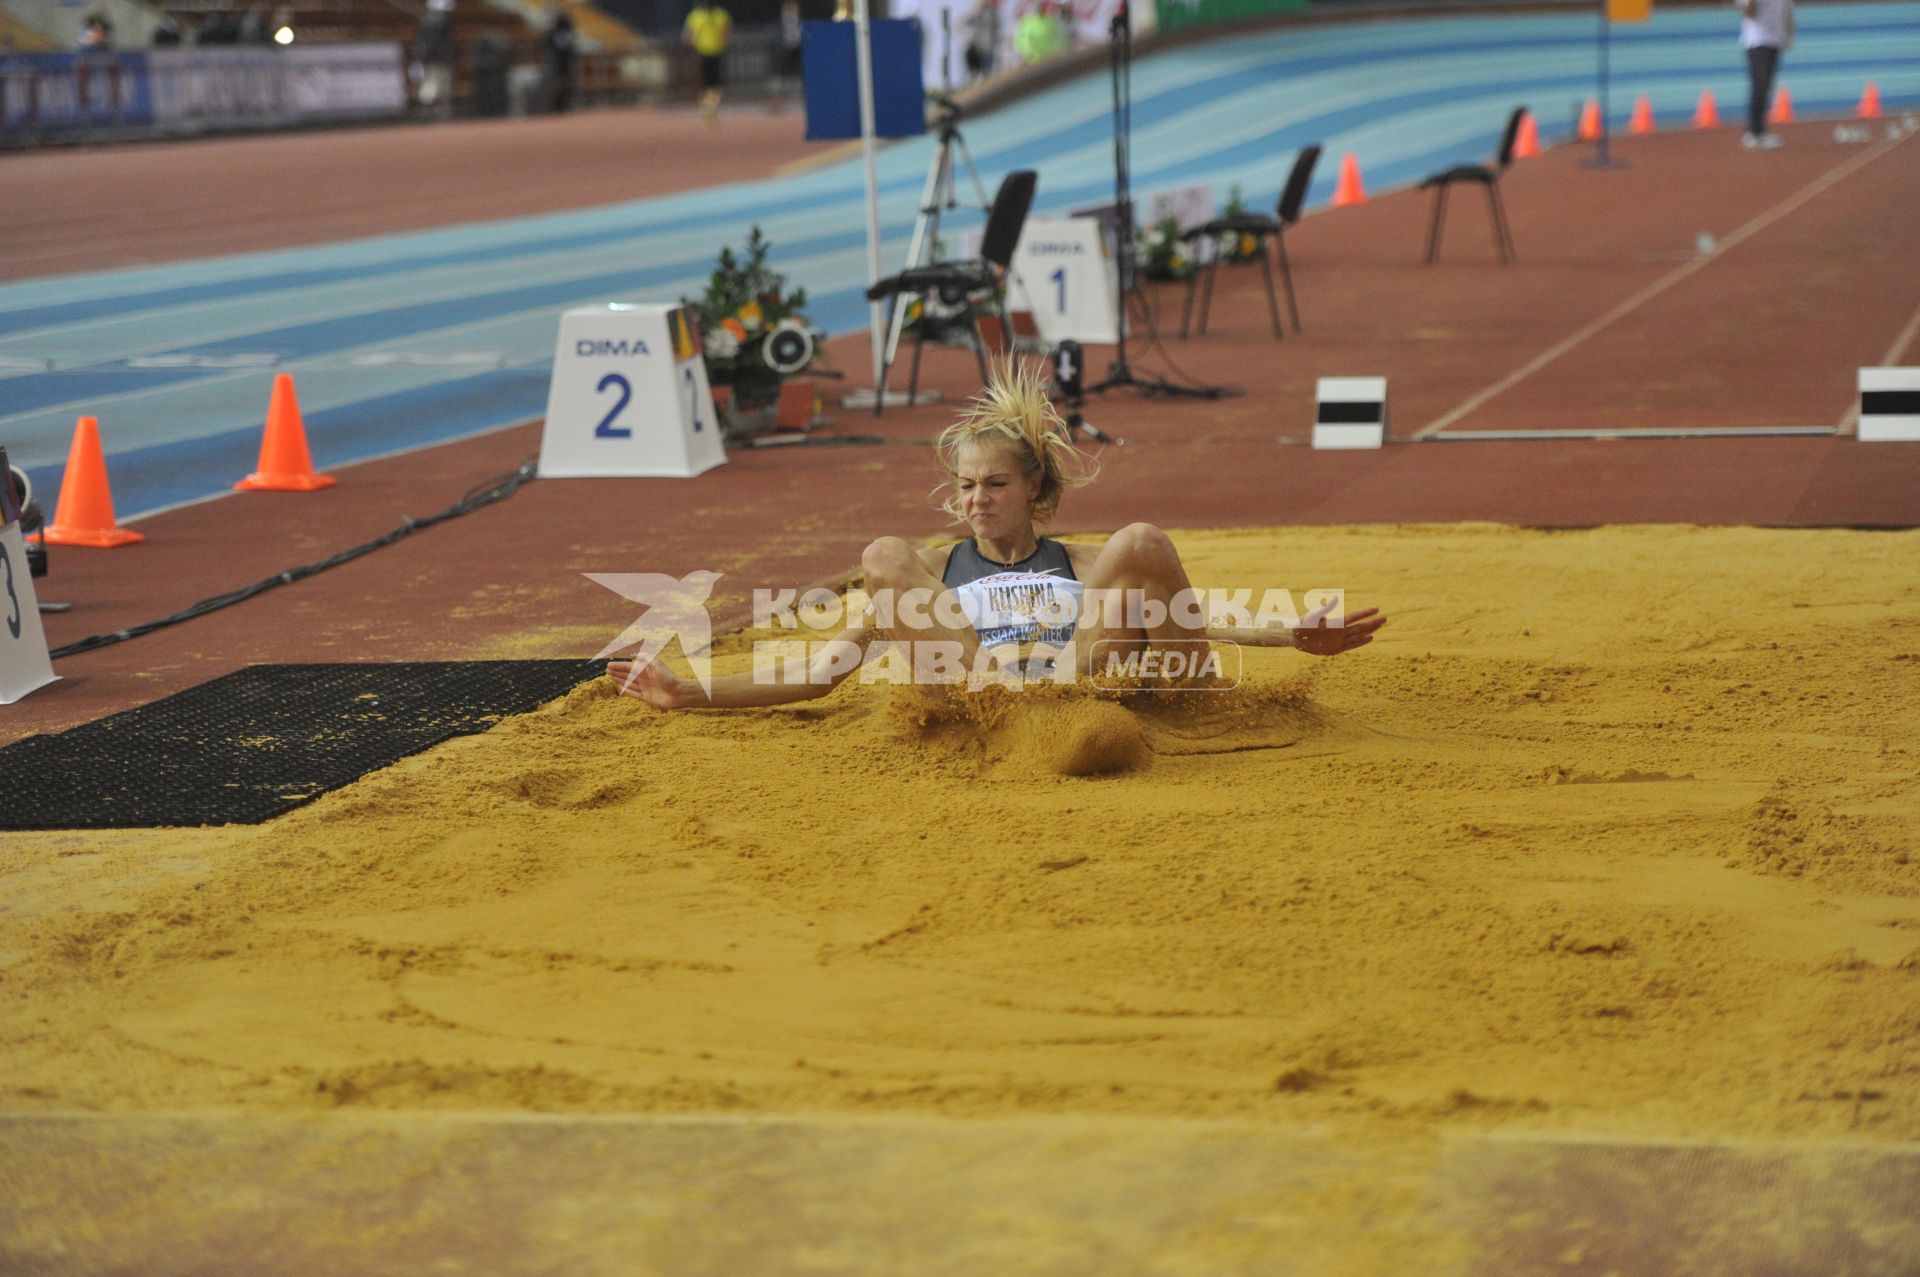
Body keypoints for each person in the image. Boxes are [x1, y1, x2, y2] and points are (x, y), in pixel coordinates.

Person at [608, 364, 1385, 711]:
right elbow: (819, 670)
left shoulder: (1078, 562)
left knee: (1141, 540)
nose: (975, 500)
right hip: (984, 702)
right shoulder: (934, 578)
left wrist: (1288, 633)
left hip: (1088, 687)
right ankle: (1017, 707)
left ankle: (1128, 708)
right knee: (881, 553)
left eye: (995, 485)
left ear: (1036, 492)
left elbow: (1189, 615)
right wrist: (686, 692)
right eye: (966, 486)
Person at [1737, 0, 1792, 149]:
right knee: (1759, 85)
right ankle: (1753, 131)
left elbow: (1787, 13)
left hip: (1775, 40)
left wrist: (1787, 35)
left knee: (1766, 86)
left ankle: (1760, 129)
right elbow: (1748, 11)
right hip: (1757, 41)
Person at [683, 0, 731, 125]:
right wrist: (694, 44)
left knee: (715, 85)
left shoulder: (721, 15)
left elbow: (726, 34)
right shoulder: (695, 15)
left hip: (716, 53)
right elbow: (688, 35)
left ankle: (709, 109)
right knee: (704, 84)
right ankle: (707, 109)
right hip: (701, 54)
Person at [543, 4, 577, 113]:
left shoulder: (566, 28)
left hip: (564, 58)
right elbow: (546, 42)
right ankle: (558, 104)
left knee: (565, 81)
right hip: (557, 58)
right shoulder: (555, 30)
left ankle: (563, 104)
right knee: (559, 82)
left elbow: (570, 44)